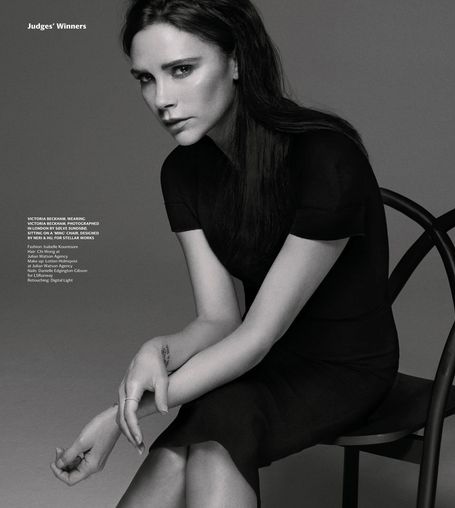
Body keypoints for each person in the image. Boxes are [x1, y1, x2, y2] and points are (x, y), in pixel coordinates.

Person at [50, 1, 399, 506]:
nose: (161, 99)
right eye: (146, 79)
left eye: (181, 70)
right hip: (257, 360)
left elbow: (255, 337)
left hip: (344, 370)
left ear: (236, 61)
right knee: (214, 419)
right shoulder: (182, 173)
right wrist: (159, 349)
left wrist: (118, 416)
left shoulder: (325, 159)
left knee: (219, 423)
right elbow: (219, 320)